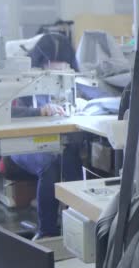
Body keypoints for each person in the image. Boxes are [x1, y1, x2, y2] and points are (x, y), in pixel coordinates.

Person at [8, 32, 84, 240]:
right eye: (51, 68)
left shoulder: (70, 78)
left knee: (71, 157)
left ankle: (78, 227)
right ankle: (48, 233)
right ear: (40, 64)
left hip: (57, 142)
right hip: (23, 145)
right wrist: (38, 111)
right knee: (50, 165)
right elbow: (8, 112)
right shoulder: (23, 80)